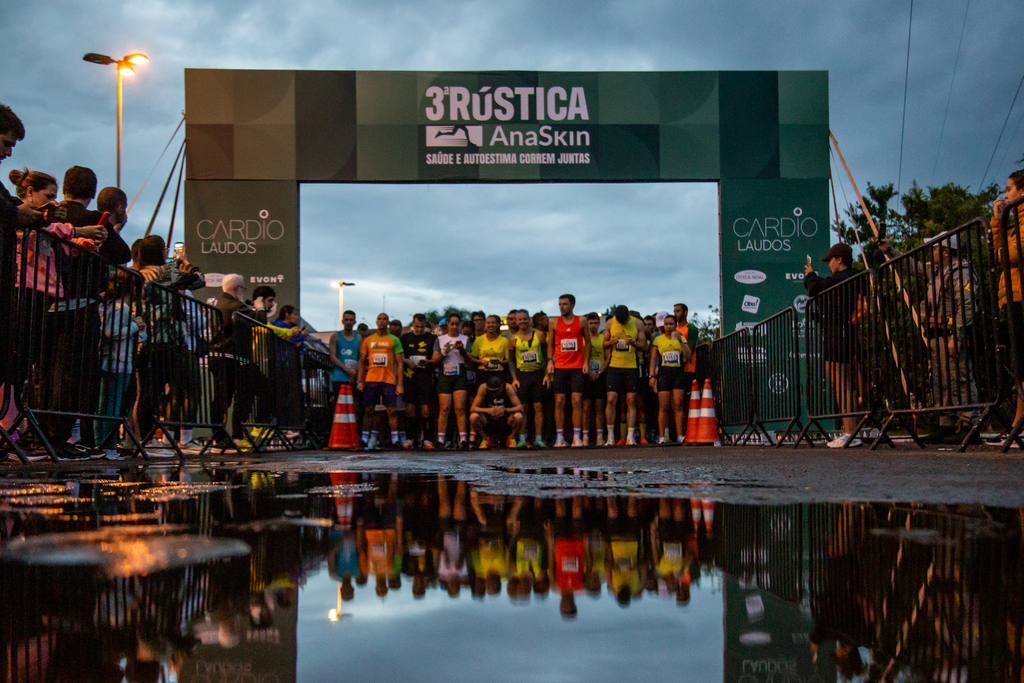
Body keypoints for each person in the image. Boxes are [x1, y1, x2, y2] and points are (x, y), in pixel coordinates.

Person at [879, 233, 981, 444]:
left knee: (959, 377)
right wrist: (890, 251)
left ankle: (971, 424)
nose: (931, 252)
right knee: (941, 381)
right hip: (936, 335)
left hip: (951, 335)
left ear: (945, 252)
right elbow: (910, 265)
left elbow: (967, 305)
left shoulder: (960, 273)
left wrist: (958, 335)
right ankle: (946, 423)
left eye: (934, 249)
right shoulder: (936, 271)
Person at [804, 243, 863, 448]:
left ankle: (850, 434)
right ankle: (851, 432)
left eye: (830, 260)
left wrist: (810, 274)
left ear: (839, 259)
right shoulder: (853, 277)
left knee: (841, 381)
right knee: (840, 381)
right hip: (840, 331)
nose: (829, 264)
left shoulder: (844, 277)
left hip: (840, 332)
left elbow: (814, 288)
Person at [208, 274, 269, 449]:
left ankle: (227, 435)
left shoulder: (223, 304)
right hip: (227, 357)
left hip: (226, 357)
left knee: (227, 397)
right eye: (243, 288)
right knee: (224, 398)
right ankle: (221, 437)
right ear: (236, 288)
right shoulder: (233, 306)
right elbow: (260, 322)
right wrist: (259, 307)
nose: (244, 292)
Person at [993, 169, 1024, 443]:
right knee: (1018, 363)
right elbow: (999, 253)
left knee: (1022, 361)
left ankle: (1018, 423)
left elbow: (1014, 253)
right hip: (1011, 297)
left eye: (1009, 188)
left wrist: (1004, 246)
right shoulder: (1014, 222)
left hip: (1020, 297)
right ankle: (1018, 423)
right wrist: (997, 223)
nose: (1005, 194)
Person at [547, 294, 591, 447]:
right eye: (559, 304)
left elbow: (588, 343)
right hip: (560, 366)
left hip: (577, 367)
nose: (561, 307)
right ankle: (560, 437)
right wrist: (550, 361)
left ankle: (576, 437)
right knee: (559, 401)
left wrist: (586, 362)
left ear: (573, 305)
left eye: (565, 304)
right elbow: (550, 344)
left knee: (576, 401)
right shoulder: (553, 322)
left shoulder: (582, 321)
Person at [357, 313, 405, 450]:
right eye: (379, 319)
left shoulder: (394, 340)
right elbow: (361, 362)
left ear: (388, 322)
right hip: (372, 379)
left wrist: (400, 384)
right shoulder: (369, 340)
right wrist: (360, 380)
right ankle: (364, 439)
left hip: (388, 380)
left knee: (392, 410)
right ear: (376, 322)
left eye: (384, 319)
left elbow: (399, 363)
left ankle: (395, 440)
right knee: (369, 410)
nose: (382, 321)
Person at [603, 305, 646, 446]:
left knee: (631, 399)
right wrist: (610, 342)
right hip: (614, 365)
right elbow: (603, 344)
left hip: (631, 366)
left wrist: (633, 343)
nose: (621, 323)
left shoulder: (637, 323)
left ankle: (630, 436)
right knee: (611, 399)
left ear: (628, 317)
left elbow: (644, 346)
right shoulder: (610, 322)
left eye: (624, 321)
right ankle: (610, 437)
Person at [432, 313, 475, 449]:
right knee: (444, 408)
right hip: (445, 373)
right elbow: (435, 359)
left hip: (459, 374)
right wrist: (445, 352)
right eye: (452, 324)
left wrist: (462, 350)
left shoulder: (465, 339)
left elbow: (469, 359)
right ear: (448, 325)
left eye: (457, 324)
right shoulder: (440, 339)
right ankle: (440, 440)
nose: (455, 326)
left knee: (460, 408)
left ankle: (463, 439)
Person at [649, 314, 692, 444]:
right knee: (663, 406)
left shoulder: (680, 337)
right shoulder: (658, 339)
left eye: (671, 324)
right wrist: (652, 376)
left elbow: (688, 354)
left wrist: (680, 341)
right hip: (664, 373)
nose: (668, 327)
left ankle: (680, 435)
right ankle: (662, 437)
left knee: (678, 405)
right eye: (666, 324)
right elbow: (653, 359)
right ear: (663, 325)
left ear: (675, 325)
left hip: (678, 372)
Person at [508, 309, 547, 448]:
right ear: (516, 322)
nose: (523, 322)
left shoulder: (540, 335)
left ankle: (539, 438)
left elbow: (547, 356)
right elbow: (511, 361)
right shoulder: (513, 339)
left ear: (529, 320)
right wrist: (514, 378)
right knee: (522, 408)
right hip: (522, 375)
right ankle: (522, 439)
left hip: (538, 374)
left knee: (538, 407)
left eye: (525, 319)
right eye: (520, 320)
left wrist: (547, 375)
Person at [400, 313, 438, 449]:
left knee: (426, 410)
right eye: (417, 326)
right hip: (409, 378)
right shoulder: (405, 338)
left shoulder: (433, 338)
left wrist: (427, 362)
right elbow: (399, 357)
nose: (419, 329)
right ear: (412, 324)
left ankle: (427, 438)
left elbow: (436, 358)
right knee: (410, 409)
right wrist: (407, 361)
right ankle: (410, 438)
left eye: (422, 327)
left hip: (426, 378)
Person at [329, 310, 364, 440]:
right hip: (339, 377)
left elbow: (361, 357)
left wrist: (355, 372)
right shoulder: (336, 337)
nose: (349, 322)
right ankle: (337, 436)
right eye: (346, 320)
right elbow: (332, 356)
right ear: (343, 321)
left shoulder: (358, 338)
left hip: (353, 377)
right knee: (338, 407)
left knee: (354, 406)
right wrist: (346, 369)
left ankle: (353, 435)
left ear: (355, 322)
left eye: (351, 320)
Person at [469, 375, 525, 449]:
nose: (494, 394)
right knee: (473, 417)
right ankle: (485, 439)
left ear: (501, 387)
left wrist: (505, 410)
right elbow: (472, 408)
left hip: (506, 419)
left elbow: (520, 408)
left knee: (519, 416)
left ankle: (511, 438)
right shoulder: (483, 387)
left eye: (496, 391)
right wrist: (487, 410)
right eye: (491, 392)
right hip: (489, 419)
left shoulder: (508, 387)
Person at [583, 312, 607, 446]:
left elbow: (608, 357)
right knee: (586, 407)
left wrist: (600, 370)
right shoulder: (582, 339)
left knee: (599, 406)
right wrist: (589, 371)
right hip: (586, 375)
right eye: (590, 323)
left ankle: (599, 436)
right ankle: (585, 436)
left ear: (599, 324)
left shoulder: (603, 338)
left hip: (600, 375)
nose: (592, 326)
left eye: (595, 323)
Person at [674, 303, 698, 420]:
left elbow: (690, 349)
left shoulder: (691, 328)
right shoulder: (674, 329)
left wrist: (680, 363)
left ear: (685, 312)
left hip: (688, 369)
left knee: (686, 399)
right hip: (673, 369)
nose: (676, 314)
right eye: (674, 311)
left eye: (678, 311)